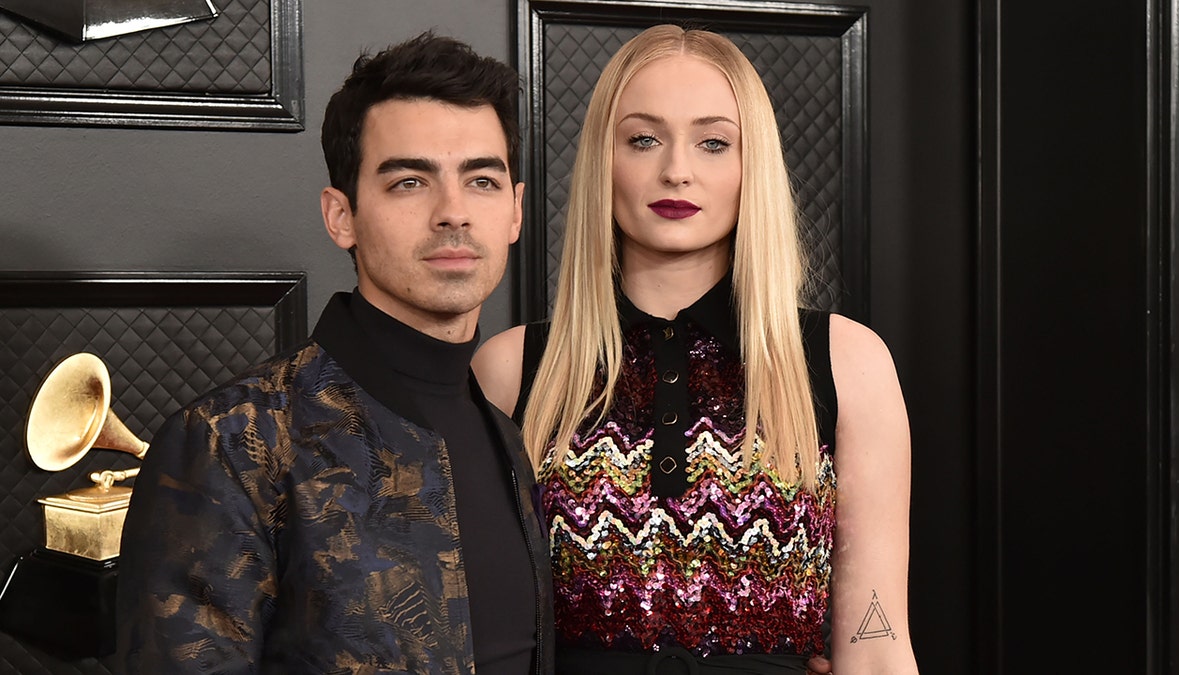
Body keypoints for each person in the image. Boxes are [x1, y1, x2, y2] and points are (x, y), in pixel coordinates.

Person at [474, 24, 918, 675]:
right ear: (606, 159)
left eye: (713, 142)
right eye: (644, 139)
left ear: (751, 166)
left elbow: (877, 645)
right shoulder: (513, 369)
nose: (676, 169)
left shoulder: (848, 362)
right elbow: (474, 637)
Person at [116, 32, 553, 674]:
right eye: (409, 181)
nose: (453, 212)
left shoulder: (506, 436)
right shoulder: (232, 442)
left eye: (482, 180)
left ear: (515, 212)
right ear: (341, 216)